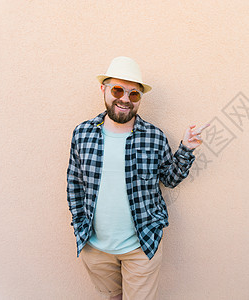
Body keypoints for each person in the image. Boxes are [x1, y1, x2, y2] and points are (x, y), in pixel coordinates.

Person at [66, 56, 210, 300]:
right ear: (104, 89)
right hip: (95, 247)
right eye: (118, 90)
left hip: (141, 246)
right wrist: (80, 223)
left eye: (133, 94)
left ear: (140, 98)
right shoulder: (82, 133)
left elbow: (170, 179)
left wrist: (186, 148)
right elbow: (74, 184)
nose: (124, 99)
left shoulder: (154, 137)